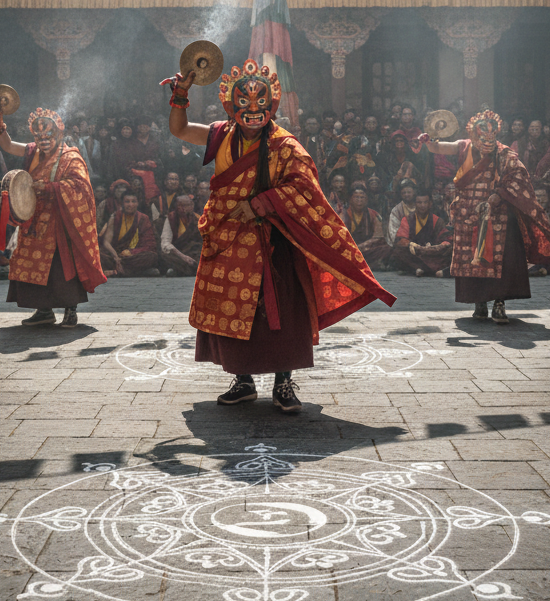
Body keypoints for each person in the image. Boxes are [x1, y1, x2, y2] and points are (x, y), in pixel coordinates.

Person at [166, 59, 395, 412]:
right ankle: (243, 381)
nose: (253, 111)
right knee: (232, 310)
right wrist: (181, 94)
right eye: (244, 104)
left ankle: (284, 382)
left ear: (272, 105)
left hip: (273, 242)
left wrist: (261, 203)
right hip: (229, 240)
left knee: (282, 314)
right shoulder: (220, 135)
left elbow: (304, 186)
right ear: (231, 105)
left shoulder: (284, 145)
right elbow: (180, 130)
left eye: (261, 105)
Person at [425, 109, 550, 322]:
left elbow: (518, 176)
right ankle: (479, 303)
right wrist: (426, 140)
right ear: (473, 135)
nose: (487, 141)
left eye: (491, 136)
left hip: (498, 215)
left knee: (501, 260)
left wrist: (499, 195)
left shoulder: (505, 153)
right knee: (472, 259)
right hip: (468, 214)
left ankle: (499, 304)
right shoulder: (464, 146)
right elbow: (438, 147)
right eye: (482, 137)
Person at [0, 107, 106, 327]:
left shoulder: (70, 156)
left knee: (61, 266)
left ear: (59, 134)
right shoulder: (33, 152)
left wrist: (49, 188)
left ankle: (70, 310)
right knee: (30, 262)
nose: (43, 141)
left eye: (48, 136)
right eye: (39, 137)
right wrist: (0, 127)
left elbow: (80, 187)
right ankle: (43, 310)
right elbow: (7, 145)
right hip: (34, 220)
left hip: (61, 222)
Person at [390, 191, 452, 277]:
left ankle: (418, 269)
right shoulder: (407, 219)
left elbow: (446, 238)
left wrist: (440, 246)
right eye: (419, 202)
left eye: (425, 202)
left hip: (433, 253)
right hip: (415, 253)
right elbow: (401, 238)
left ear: (430, 204)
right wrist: (410, 244)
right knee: (397, 252)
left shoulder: (437, 220)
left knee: (449, 251)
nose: (422, 205)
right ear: (415, 204)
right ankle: (429, 270)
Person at [100, 189, 160, 276]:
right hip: (115, 254)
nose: (130, 205)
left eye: (133, 201)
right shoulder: (115, 217)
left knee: (151, 256)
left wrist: (131, 252)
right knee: (98, 254)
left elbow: (150, 244)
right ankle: (136, 272)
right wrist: (115, 256)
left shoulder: (143, 218)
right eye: (127, 202)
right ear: (122, 203)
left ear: (137, 203)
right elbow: (106, 242)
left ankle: (116, 271)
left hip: (134, 255)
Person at [341, 185, 390, 270]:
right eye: (356, 197)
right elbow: (340, 237)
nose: (359, 200)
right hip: (349, 248)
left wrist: (361, 247)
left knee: (387, 248)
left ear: (367, 199)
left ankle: (359, 263)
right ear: (350, 199)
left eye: (362, 197)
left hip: (366, 248)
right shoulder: (342, 214)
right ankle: (368, 264)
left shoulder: (373, 214)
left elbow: (378, 237)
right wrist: (353, 247)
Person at [160, 193, 202, 276]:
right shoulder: (171, 218)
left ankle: (179, 270)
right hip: (177, 253)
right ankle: (192, 269)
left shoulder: (198, 218)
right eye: (181, 205)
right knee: (163, 255)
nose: (184, 208)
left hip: (193, 252)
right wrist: (183, 257)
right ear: (177, 206)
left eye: (188, 205)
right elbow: (165, 243)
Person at [386, 178, 418, 248]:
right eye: (404, 193)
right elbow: (393, 233)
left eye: (409, 192)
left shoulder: (421, 205)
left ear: (414, 192)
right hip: (404, 245)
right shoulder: (396, 210)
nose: (407, 195)